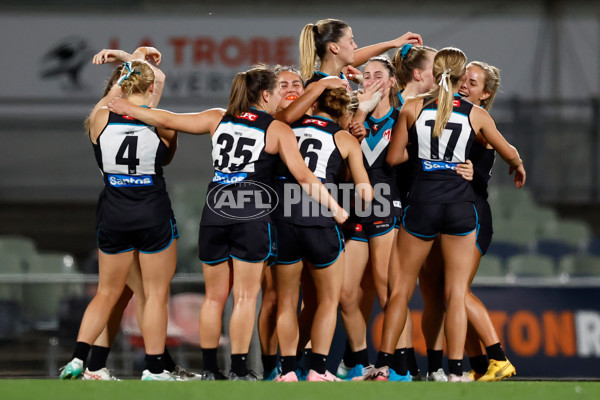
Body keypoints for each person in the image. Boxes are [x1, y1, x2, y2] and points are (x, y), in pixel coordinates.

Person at [108, 65, 348, 381]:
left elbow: (168, 119)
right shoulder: (276, 129)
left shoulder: (217, 117)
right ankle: (238, 369)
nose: (280, 98)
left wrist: (129, 108)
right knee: (246, 296)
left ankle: (210, 370)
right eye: (277, 91)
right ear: (265, 94)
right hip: (250, 211)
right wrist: (335, 208)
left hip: (216, 209)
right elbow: (304, 176)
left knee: (214, 297)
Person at [367, 47, 525, 382]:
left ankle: (382, 364)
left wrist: (421, 154)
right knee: (455, 294)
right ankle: (455, 372)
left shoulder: (412, 108)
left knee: (400, 292)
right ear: (459, 77)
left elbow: (393, 160)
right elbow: (508, 151)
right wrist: (517, 165)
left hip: (422, 204)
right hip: (459, 209)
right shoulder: (476, 114)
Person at [77, 48, 201, 381]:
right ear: (147, 91)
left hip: (114, 213)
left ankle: (96, 364)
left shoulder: (101, 119)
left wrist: (128, 60)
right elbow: (154, 90)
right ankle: (153, 366)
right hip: (150, 214)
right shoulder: (162, 126)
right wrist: (130, 59)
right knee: (149, 295)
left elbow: (134, 87)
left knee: (122, 293)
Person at [273, 86, 373, 382]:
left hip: (285, 219)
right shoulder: (344, 138)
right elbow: (366, 190)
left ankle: (288, 371)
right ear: (343, 111)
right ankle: (318, 369)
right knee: (328, 300)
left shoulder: (288, 126)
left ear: (314, 104)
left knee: (288, 302)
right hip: (321, 221)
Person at [299, 18, 423, 87]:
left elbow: (356, 57)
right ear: (335, 48)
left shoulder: (337, 74)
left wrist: (393, 43)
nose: (355, 46)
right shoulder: (317, 86)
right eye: (351, 41)